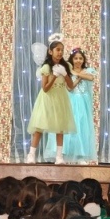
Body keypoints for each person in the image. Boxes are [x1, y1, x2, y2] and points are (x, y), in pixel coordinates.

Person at [26, 33, 76, 164]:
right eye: (57, 50)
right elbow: (45, 88)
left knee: (60, 128)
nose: (60, 53)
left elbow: (71, 86)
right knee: (39, 127)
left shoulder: (66, 66)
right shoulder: (46, 67)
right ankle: (31, 154)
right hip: (47, 99)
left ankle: (59, 157)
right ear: (50, 51)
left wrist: (65, 74)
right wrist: (54, 76)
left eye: (62, 50)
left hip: (60, 98)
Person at [44, 47, 97, 164]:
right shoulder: (68, 71)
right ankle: (63, 154)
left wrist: (78, 74)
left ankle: (80, 156)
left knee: (82, 128)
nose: (78, 61)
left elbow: (91, 77)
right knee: (69, 128)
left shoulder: (88, 70)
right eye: (76, 58)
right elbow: (69, 88)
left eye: (80, 58)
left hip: (83, 103)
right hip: (71, 102)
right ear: (72, 60)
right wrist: (78, 76)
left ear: (83, 60)